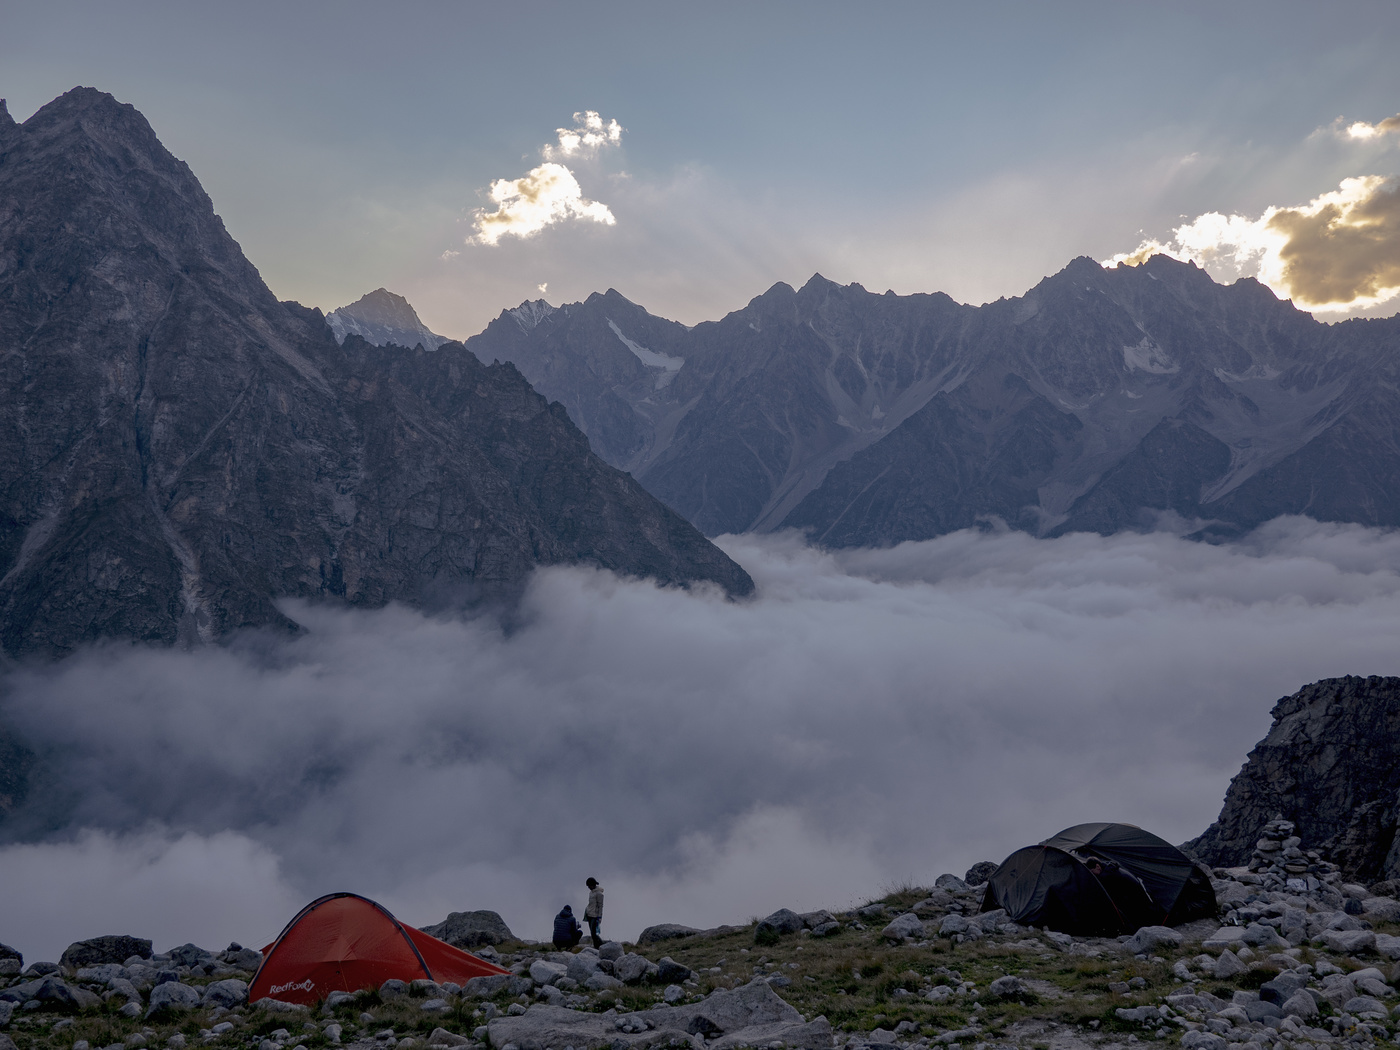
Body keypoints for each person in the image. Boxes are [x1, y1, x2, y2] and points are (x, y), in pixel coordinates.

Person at [1082, 856, 1159, 931]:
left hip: (1137, 900)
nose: (1093, 876)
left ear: (1097, 866)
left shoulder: (1107, 875)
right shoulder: (1110, 867)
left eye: (1092, 872)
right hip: (1140, 898)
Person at [583, 877, 604, 949]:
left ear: (593, 885)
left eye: (589, 886)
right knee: (592, 934)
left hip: (595, 916)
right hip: (589, 914)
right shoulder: (591, 893)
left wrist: (600, 916)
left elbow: (600, 906)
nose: (588, 887)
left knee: (594, 934)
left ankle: (601, 946)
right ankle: (597, 946)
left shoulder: (599, 894)